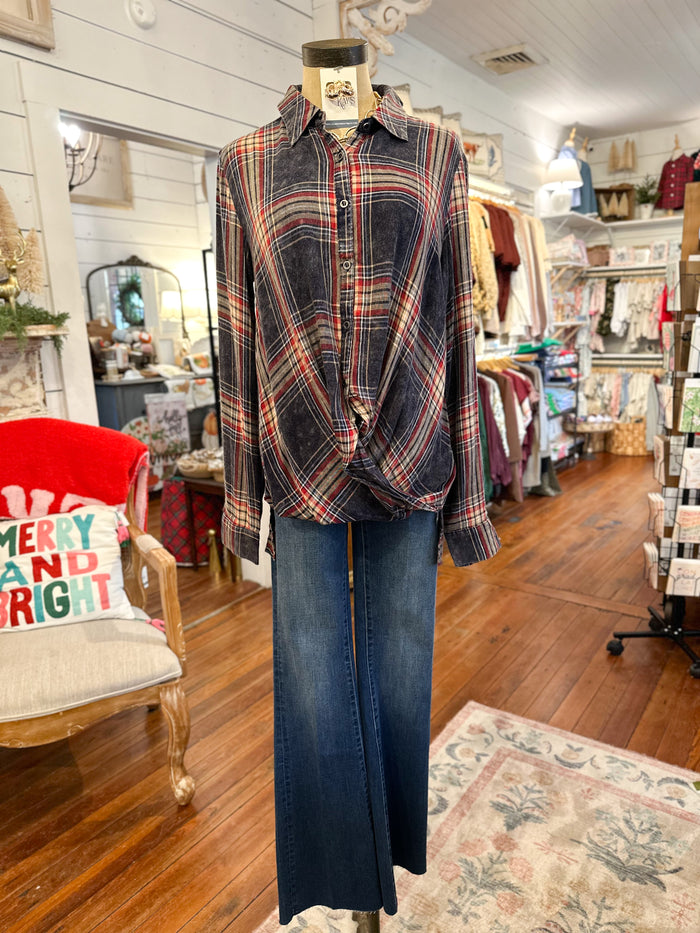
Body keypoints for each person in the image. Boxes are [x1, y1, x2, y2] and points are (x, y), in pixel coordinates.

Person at [216, 37, 500, 930]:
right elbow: (236, 332)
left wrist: (471, 498)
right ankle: (338, 878)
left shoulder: (438, 155)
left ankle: (383, 860)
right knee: (309, 678)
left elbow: (458, 326)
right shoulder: (245, 165)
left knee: (398, 668)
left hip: (413, 452)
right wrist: (239, 491)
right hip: (299, 456)